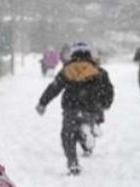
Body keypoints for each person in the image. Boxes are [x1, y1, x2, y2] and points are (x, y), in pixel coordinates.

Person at [36, 42, 114, 175]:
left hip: (71, 108)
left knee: (67, 135)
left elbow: (54, 87)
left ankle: (73, 163)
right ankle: (88, 133)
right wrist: (105, 104)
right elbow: (108, 91)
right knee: (85, 124)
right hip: (91, 109)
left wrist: (42, 103)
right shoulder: (100, 72)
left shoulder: (67, 70)